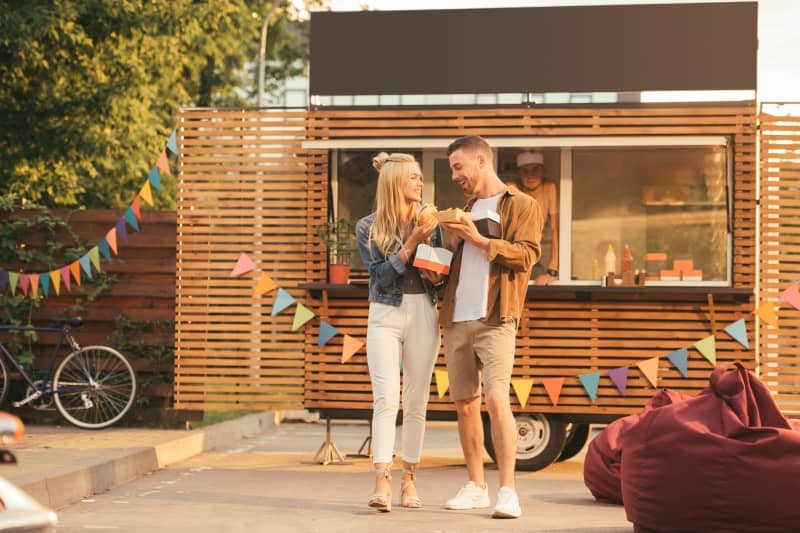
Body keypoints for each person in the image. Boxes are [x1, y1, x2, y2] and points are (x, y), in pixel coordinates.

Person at [439, 136, 542, 519]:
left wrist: (480, 240)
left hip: (496, 316)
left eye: (457, 167)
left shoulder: (521, 204)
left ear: (480, 160)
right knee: (465, 404)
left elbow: (528, 254)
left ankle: (508, 491)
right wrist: (447, 248)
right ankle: (476, 486)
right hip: (456, 317)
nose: (455, 176)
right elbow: (455, 264)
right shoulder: (462, 208)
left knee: (497, 399)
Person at [355, 152, 444, 513]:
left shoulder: (432, 222)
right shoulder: (368, 227)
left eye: (420, 177)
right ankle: (382, 477)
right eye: (413, 177)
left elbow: (436, 271)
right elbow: (379, 276)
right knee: (386, 399)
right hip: (385, 314)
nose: (420, 183)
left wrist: (437, 270)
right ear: (395, 182)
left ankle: (409, 477)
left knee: (417, 399)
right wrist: (410, 245)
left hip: (423, 309)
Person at [516, 150, 559, 285]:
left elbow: (555, 230)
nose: (531, 175)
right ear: (519, 173)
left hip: (545, 253)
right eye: (525, 171)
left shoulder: (549, 188)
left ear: (543, 171)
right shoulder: (513, 189)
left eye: (535, 170)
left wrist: (552, 271)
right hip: (520, 253)